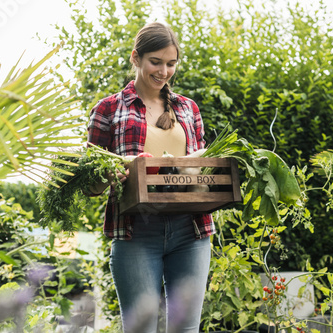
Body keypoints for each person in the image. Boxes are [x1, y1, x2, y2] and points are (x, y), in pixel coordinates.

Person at [86, 22, 214, 333]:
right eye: (155, 62)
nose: (164, 71)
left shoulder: (188, 109)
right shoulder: (108, 109)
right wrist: (109, 174)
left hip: (191, 231)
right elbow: (91, 185)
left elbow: (201, 168)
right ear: (136, 58)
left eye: (171, 63)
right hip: (136, 233)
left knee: (186, 329)